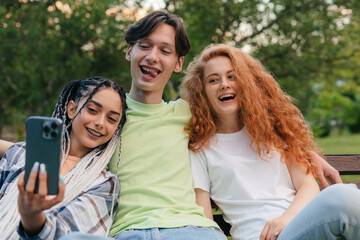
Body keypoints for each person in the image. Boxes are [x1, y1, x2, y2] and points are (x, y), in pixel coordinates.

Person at [0, 10, 342, 240]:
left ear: (178, 63)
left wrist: (307, 153)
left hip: (192, 230)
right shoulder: (106, 118)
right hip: (128, 232)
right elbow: (36, 147)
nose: (152, 57)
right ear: (129, 52)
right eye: (144, 46)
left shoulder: (192, 113)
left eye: (164, 50)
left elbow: (250, 117)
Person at [180, 43, 360, 240]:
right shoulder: (200, 149)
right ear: (202, 91)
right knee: (343, 197)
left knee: (346, 197)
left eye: (232, 76)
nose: (224, 84)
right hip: (258, 237)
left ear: (247, 82)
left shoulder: (272, 131)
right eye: (213, 80)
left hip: (300, 226)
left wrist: (286, 218)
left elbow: (308, 186)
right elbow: (205, 219)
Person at [0, 77, 127, 239]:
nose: (100, 123)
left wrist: (30, 214)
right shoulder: (19, 154)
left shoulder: (104, 184)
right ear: (72, 109)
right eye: (92, 110)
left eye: (112, 119)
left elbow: (69, 236)